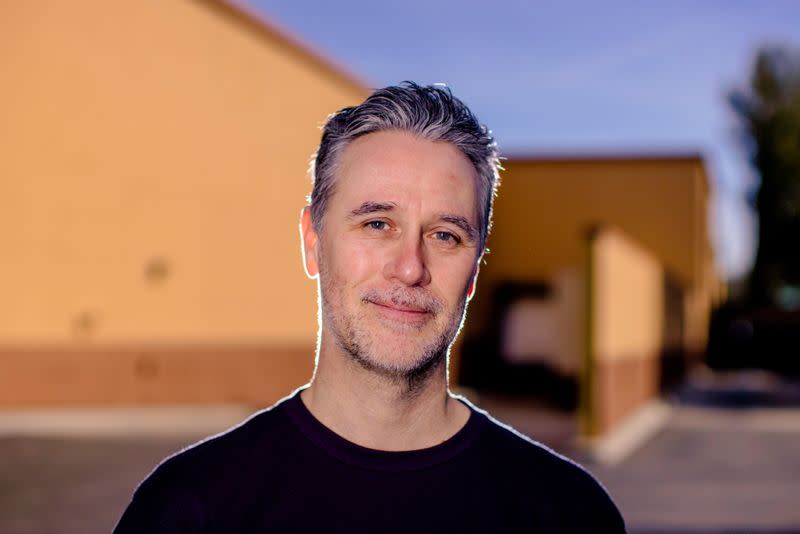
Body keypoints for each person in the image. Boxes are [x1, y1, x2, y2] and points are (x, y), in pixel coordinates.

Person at [114, 82, 626, 533]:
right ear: (313, 242)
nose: (410, 268)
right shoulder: (186, 510)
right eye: (377, 224)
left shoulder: (569, 515)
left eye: (445, 235)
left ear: (473, 270)